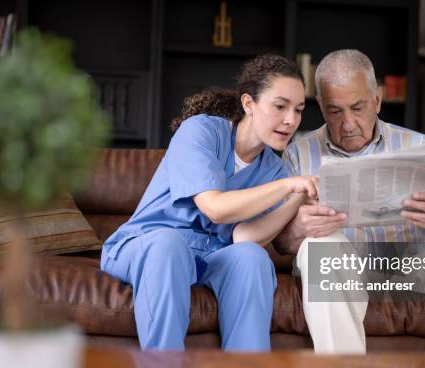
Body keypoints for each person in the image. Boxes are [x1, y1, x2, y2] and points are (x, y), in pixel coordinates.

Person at [273, 49, 425, 355]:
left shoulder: (418, 146)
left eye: (358, 108)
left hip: (411, 265)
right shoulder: (297, 155)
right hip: (343, 269)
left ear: (376, 100)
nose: (348, 123)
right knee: (319, 246)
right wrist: (299, 228)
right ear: (321, 106)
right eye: (335, 111)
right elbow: (281, 242)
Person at [101, 55, 318, 351]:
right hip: (149, 246)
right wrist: (287, 185)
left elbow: (243, 237)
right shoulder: (201, 131)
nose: (291, 120)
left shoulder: (275, 171)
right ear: (248, 104)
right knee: (169, 243)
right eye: (280, 106)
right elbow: (215, 208)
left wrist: (297, 198)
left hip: (209, 259)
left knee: (252, 258)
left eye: (298, 110)